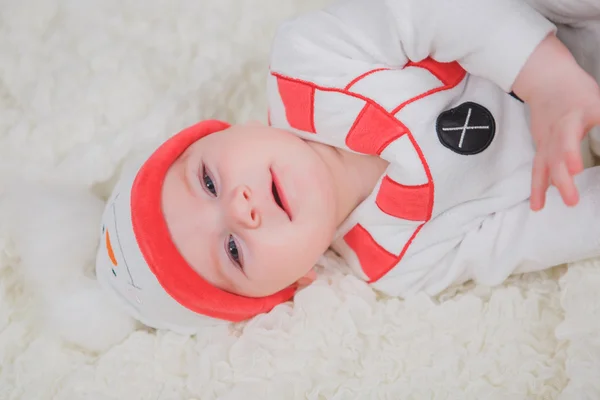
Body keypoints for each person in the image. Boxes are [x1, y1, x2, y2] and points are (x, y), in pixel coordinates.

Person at [95, 0, 600, 334]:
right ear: (295, 284)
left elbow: (438, 10)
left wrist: (547, 78)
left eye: (208, 181)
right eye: (232, 249)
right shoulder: (398, 264)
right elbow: (525, 234)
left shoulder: (310, 60)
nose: (239, 206)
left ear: (228, 129)